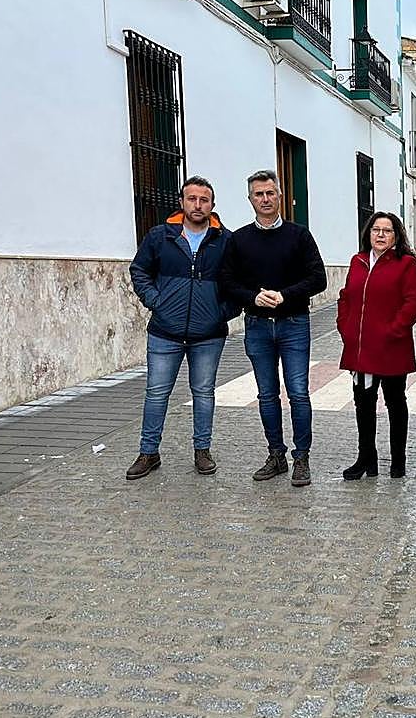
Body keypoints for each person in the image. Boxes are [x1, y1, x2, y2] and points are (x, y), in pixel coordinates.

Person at [221, 169, 326, 486]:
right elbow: (226, 282)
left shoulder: (299, 235)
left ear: (280, 196)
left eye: (270, 193)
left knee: (298, 393)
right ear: (250, 199)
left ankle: (301, 458)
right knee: (267, 395)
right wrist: (253, 296)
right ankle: (276, 455)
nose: (265, 199)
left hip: (294, 324)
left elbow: (318, 278)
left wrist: (285, 295)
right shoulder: (238, 240)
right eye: (258, 194)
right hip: (257, 326)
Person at [126, 176, 235, 480]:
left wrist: (221, 313)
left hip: (208, 335)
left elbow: (239, 284)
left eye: (204, 200)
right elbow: (140, 270)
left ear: (212, 205)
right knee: (156, 394)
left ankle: (202, 451)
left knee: (203, 393)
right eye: (192, 199)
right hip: (164, 331)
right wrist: (156, 301)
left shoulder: (225, 241)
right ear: (182, 202)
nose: (197, 205)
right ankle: (148, 452)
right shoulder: (160, 236)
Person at [336, 212, 416, 480]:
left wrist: (392, 330)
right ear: (368, 233)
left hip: (391, 346)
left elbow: (413, 302)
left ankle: (398, 460)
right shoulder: (358, 261)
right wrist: (345, 326)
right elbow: (346, 296)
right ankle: (366, 460)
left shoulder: (406, 264)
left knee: (395, 402)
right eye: (376, 230)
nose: (381, 235)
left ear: (396, 236)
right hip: (361, 349)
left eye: (387, 230)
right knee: (363, 404)